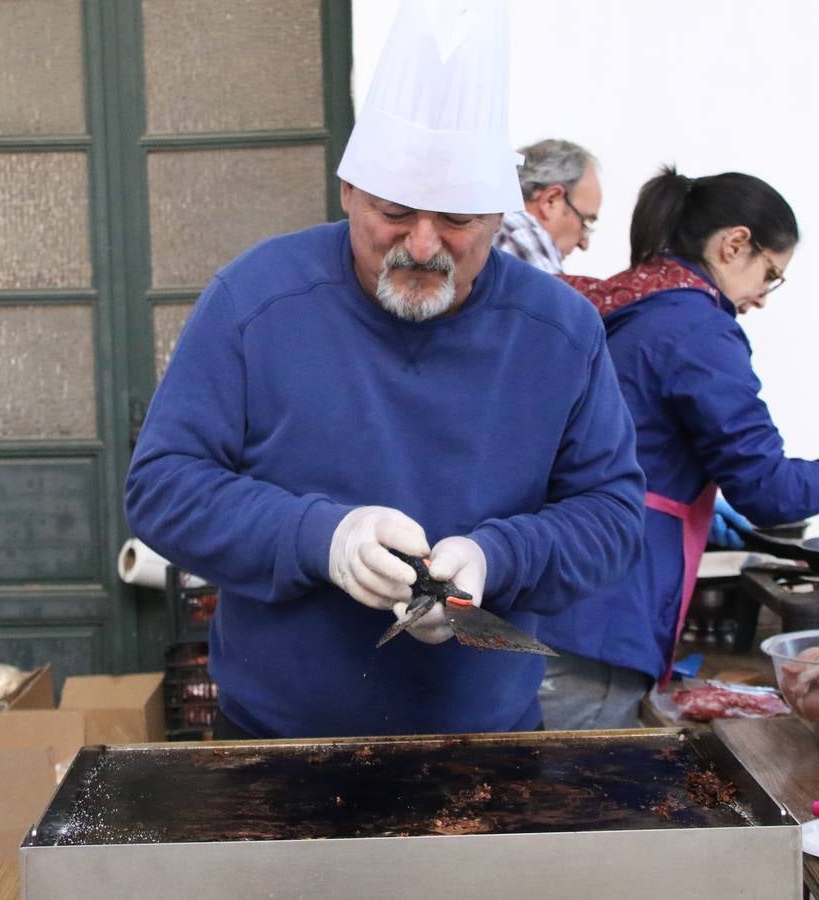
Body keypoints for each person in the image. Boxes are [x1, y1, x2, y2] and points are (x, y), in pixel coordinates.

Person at [124, 0, 645, 740]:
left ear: (504, 216)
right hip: (276, 747)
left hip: (487, 746)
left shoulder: (560, 332)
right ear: (348, 191)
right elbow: (163, 485)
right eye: (394, 212)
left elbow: (612, 517)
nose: (424, 245)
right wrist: (320, 538)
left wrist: (495, 556)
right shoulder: (256, 301)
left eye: (458, 220)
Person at [535, 165, 819, 730]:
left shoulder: (633, 303)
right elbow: (768, 490)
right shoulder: (698, 328)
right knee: (571, 787)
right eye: (770, 274)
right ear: (735, 243)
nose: (762, 297)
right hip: (608, 600)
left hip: (560, 573)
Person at [492, 139, 602, 274]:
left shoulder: (491, 219)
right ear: (551, 200)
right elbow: (553, 295)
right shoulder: (520, 232)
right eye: (585, 222)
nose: (584, 245)